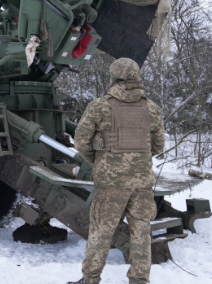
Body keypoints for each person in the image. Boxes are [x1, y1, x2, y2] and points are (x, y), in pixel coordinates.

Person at [69, 57, 165, 284]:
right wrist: (137, 160)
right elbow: (158, 145)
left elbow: (81, 141)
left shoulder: (100, 106)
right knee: (141, 232)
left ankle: (90, 279)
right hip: (141, 183)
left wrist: (99, 159)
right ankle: (140, 280)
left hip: (110, 184)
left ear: (113, 78)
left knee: (101, 231)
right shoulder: (151, 108)